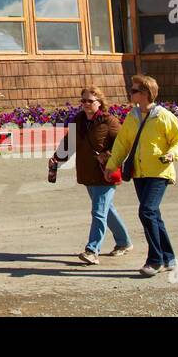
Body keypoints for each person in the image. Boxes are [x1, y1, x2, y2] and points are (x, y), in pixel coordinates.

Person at [104, 74, 178, 277]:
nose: (130, 93)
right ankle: (169, 258)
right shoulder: (131, 117)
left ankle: (155, 260)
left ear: (146, 93)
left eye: (134, 90)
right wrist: (111, 166)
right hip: (139, 172)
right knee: (154, 216)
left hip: (159, 171)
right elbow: (122, 144)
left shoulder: (164, 116)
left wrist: (172, 154)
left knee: (147, 211)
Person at [49, 87, 132, 265]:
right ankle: (124, 242)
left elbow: (125, 144)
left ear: (99, 103)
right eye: (83, 100)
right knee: (106, 210)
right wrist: (57, 159)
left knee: (98, 212)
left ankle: (92, 250)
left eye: (90, 101)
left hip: (105, 172)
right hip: (87, 172)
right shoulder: (78, 120)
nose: (86, 104)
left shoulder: (109, 121)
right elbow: (69, 143)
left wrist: (108, 154)